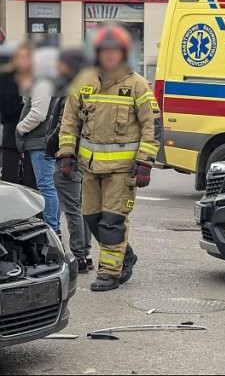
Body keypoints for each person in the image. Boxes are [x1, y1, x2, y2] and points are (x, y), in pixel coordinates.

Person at [57, 23, 160, 292]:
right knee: (92, 219)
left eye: (115, 51)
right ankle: (125, 256)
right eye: (105, 51)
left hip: (122, 171)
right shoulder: (84, 83)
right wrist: (66, 155)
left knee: (112, 221)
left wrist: (145, 163)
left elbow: (152, 126)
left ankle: (110, 273)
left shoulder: (137, 85)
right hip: (89, 168)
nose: (110, 56)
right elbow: (68, 122)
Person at [45, 48, 92, 273]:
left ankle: (79, 256)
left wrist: (49, 143)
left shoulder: (72, 92)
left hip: (68, 157)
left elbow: (65, 126)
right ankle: (87, 254)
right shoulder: (89, 88)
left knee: (73, 209)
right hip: (82, 157)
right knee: (82, 208)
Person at [16, 47, 61, 232]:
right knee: (50, 186)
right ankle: (54, 226)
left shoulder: (43, 83)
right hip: (42, 141)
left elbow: (38, 114)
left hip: (39, 142)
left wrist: (20, 128)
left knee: (46, 187)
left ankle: (52, 227)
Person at [0, 43, 31, 184]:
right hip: (11, 138)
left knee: (32, 183)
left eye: (27, 57)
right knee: (10, 180)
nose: (24, 61)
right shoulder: (6, 79)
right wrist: (23, 102)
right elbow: (5, 110)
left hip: (33, 141)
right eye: (21, 57)